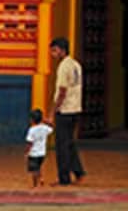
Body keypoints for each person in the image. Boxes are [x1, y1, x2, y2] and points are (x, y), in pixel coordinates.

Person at [49, 36, 85, 185]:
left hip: (64, 110)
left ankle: (64, 178)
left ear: (62, 51)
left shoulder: (63, 67)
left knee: (62, 146)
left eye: (55, 50)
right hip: (75, 108)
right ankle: (78, 171)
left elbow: (62, 91)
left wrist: (52, 112)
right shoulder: (76, 65)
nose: (53, 54)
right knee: (70, 143)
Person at [24, 108, 53, 187]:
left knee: (34, 170)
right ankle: (41, 178)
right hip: (42, 153)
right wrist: (46, 121)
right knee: (38, 167)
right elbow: (51, 127)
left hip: (33, 154)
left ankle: (35, 184)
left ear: (32, 120)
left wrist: (26, 152)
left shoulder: (31, 130)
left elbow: (29, 143)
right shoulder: (44, 128)